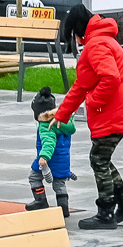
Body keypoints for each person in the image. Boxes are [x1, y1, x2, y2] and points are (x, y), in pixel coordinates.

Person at [44, 9, 123, 229]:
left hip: (115, 110)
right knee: (101, 157)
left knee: (98, 158)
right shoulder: (100, 41)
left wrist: (93, 102)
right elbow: (81, 85)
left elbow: (110, 78)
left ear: (78, 31)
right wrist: (62, 114)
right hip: (120, 108)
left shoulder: (96, 45)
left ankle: (106, 212)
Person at [26, 86, 77, 215]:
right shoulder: (64, 120)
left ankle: (40, 200)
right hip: (63, 160)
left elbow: (49, 143)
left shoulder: (45, 125)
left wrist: (44, 157)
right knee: (59, 184)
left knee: (34, 177)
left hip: (48, 160)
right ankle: (63, 209)